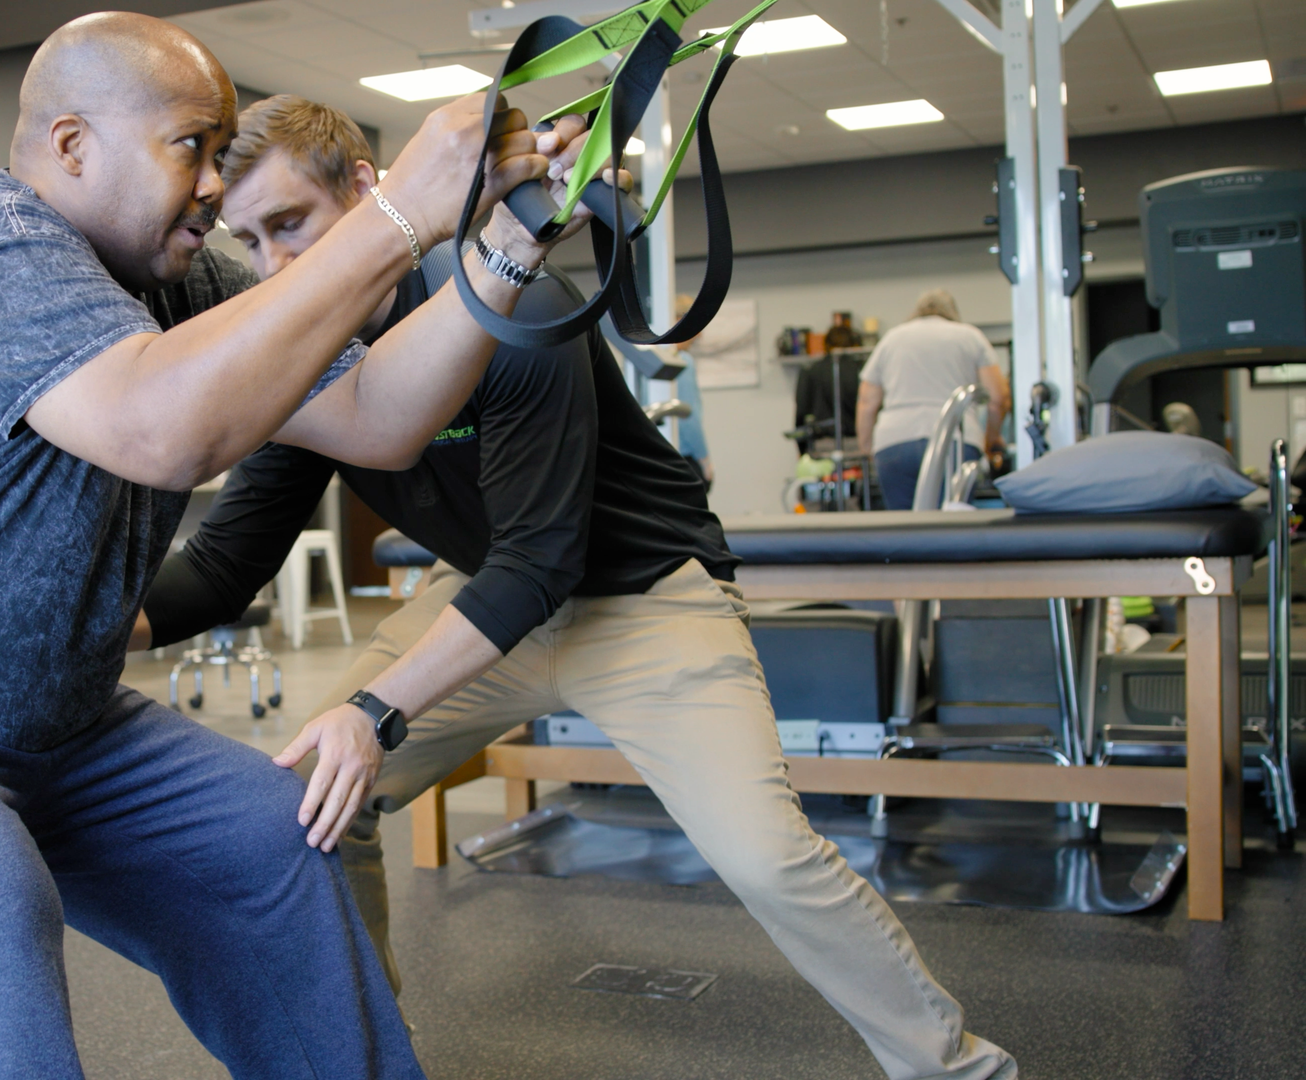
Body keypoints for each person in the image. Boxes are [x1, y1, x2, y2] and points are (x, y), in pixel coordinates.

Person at [0, 15, 592, 1079]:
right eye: (191, 146)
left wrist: (505, 244)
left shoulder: (184, 279)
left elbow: (376, 413)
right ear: (72, 145)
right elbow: (162, 431)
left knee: (276, 834)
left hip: (41, 715)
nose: (217, 189)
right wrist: (402, 213)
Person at [138, 94, 1018, 1080]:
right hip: (490, 606)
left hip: (642, 599)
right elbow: (220, 567)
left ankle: (960, 1070)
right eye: (248, 240)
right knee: (309, 808)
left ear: (367, 189)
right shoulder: (309, 357)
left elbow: (541, 561)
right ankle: (370, 1063)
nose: (274, 269)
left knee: (767, 856)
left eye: (291, 225)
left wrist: (374, 709)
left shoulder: (518, 306)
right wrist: (80, 626)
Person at [856, 289, 1010, 510]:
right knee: (950, 527)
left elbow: (867, 401)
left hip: (895, 442)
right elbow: (999, 397)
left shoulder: (892, 338)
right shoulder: (969, 335)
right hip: (956, 440)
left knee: (903, 529)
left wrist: (866, 447)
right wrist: (991, 439)